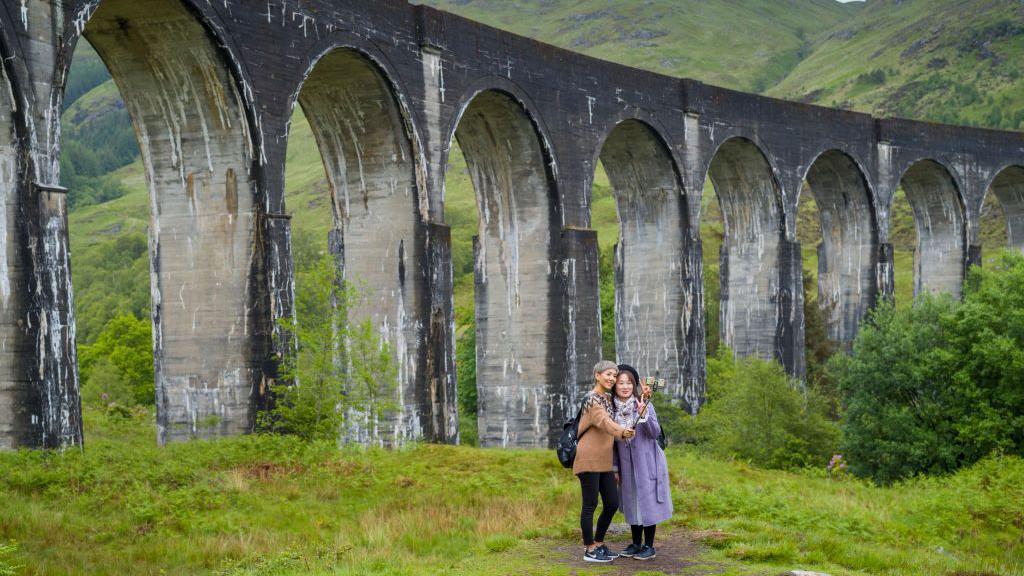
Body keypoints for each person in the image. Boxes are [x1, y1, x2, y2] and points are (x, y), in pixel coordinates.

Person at [574, 360, 636, 563]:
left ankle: (599, 543)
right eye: (608, 374)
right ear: (597, 375)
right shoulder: (592, 399)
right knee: (590, 504)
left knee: (611, 503)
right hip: (589, 457)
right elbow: (604, 422)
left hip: (604, 460)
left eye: (614, 375)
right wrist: (622, 432)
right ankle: (589, 549)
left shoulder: (607, 398)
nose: (611, 378)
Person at [612, 364, 673, 560]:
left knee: (647, 501)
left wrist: (644, 415)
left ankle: (649, 545)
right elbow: (611, 442)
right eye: (620, 382)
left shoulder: (644, 404)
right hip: (626, 463)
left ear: (635, 384)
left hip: (647, 462)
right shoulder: (611, 408)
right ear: (614, 386)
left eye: (629, 382)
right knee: (632, 501)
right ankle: (635, 543)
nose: (625, 386)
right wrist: (615, 467)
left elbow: (655, 433)